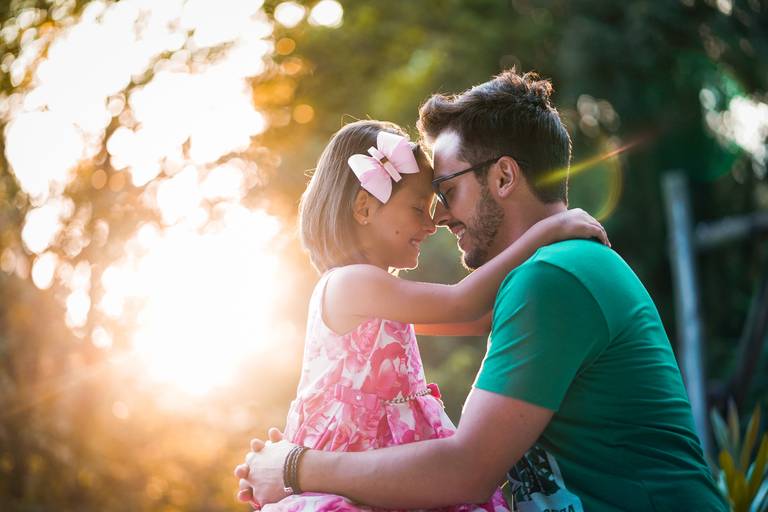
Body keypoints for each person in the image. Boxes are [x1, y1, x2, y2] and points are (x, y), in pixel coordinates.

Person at [236, 71, 727, 511]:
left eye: (445, 192)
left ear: (504, 175)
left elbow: (465, 470)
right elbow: (465, 310)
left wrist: (294, 467)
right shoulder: (543, 275)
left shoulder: (553, 275)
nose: (439, 217)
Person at [240, 117, 608, 512]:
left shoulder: (375, 292)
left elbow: (476, 319)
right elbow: (460, 303)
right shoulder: (351, 284)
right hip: (358, 455)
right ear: (364, 208)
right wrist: (550, 230)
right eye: (418, 208)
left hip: (383, 455)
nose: (432, 224)